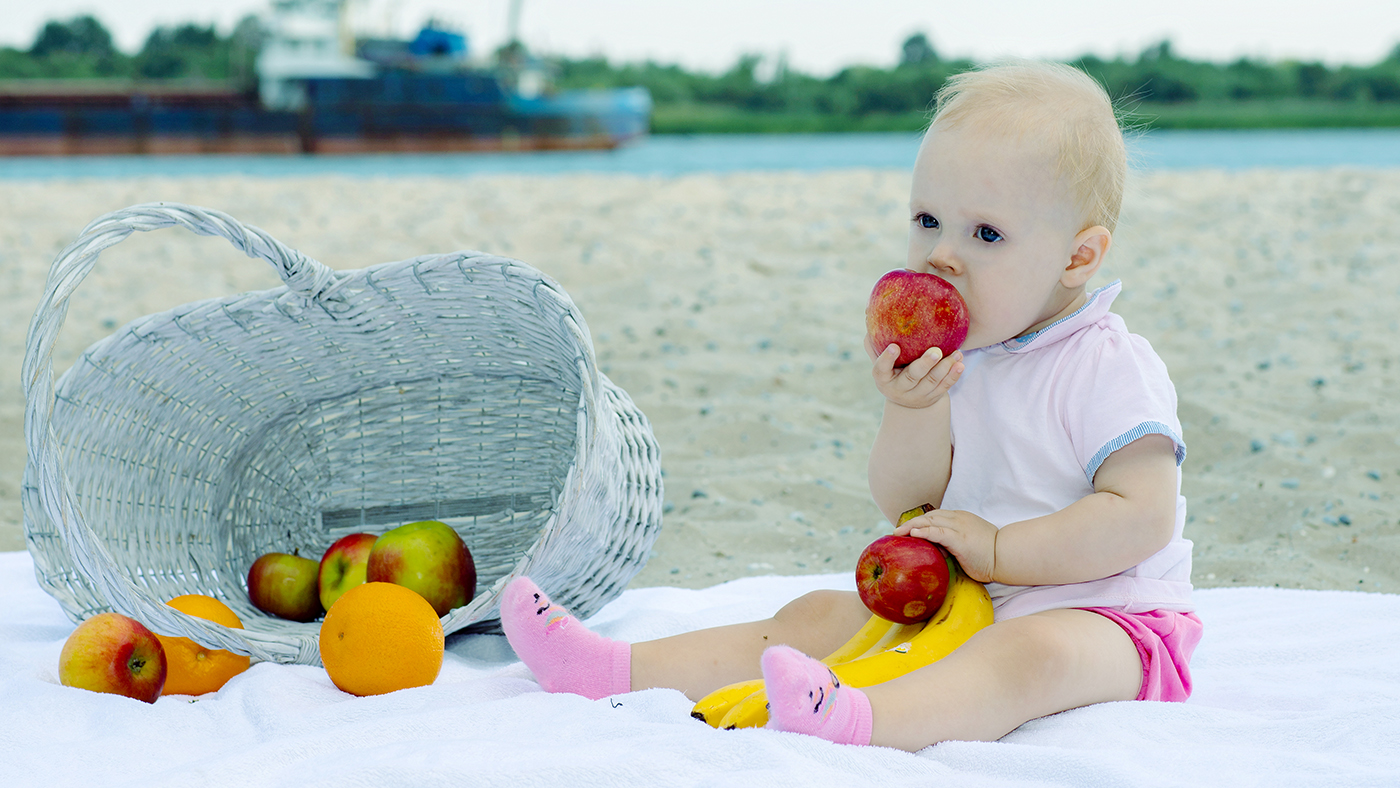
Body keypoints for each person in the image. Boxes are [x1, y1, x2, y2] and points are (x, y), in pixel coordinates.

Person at [497, 60, 1202, 752]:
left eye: (985, 234)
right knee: (815, 615)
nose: (941, 256)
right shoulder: (962, 356)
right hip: (963, 599)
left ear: (1078, 259)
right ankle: (609, 668)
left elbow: (1142, 514)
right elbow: (907, 499)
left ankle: (859, 721)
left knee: (1027, 655)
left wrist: (999, 551)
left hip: (1111, 618)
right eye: (928, 220)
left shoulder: (1106, 364)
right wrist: (912, 408)